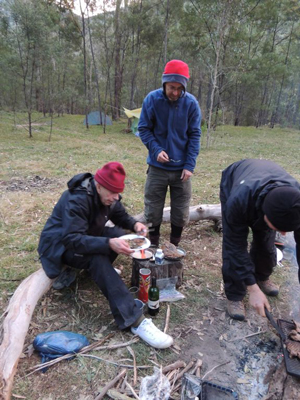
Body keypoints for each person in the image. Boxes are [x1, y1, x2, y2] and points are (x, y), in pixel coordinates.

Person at [38, 162, 173, 349]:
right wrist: (107, 243)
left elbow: (120, 215)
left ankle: (96, 273)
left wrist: (134, 226)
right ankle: (135, 320)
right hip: (59, 247)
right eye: (112, 193)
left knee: (119, 236)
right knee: (98, 257)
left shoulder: (108, 195)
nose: (116, 198)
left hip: (83, 236)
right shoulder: (76, 200)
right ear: (98, 186)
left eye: (118, 193)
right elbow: (71, 239)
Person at [220, 159, 300, 321]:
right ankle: (235, 294)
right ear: (265, 214)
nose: (284, 234)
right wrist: (252, 289)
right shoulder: (238, 201)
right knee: (234, 247)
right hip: (237, 181)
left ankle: (262, 276)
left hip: (266, 183)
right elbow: (235, 247)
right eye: (280, 228)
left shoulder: (296, 204)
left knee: (265, 241)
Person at [138, 59, 201, 247]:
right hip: (157, 167)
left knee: (181, 212)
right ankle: (155, 245)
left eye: (179, 88)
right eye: (171, 87)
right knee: (152, 210)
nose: (175, 92)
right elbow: (144, 129)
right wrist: (156, 149)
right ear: (164, 83)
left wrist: (189, 165)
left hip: (182, 169)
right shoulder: (152, 100)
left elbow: (195, 134)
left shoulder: (191, 104)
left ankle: (174, 246)